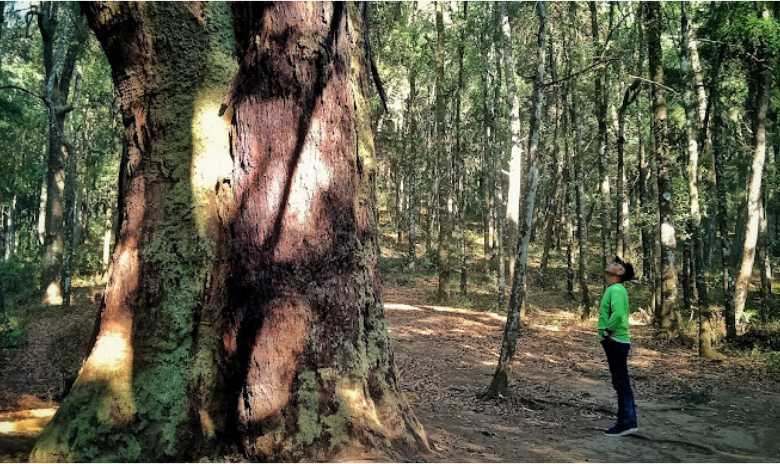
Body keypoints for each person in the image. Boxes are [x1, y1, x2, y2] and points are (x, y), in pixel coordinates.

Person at [598, 256, 638, 437]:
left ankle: (627, 422)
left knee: (621, 383)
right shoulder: (616, 289)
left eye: (617, 265)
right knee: (620, 382)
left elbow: (619, 314)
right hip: (616, 341)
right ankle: (625, 421)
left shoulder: (616, 289)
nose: (612, 265)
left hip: (616, 341)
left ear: (619, 273)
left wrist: (606, 330)